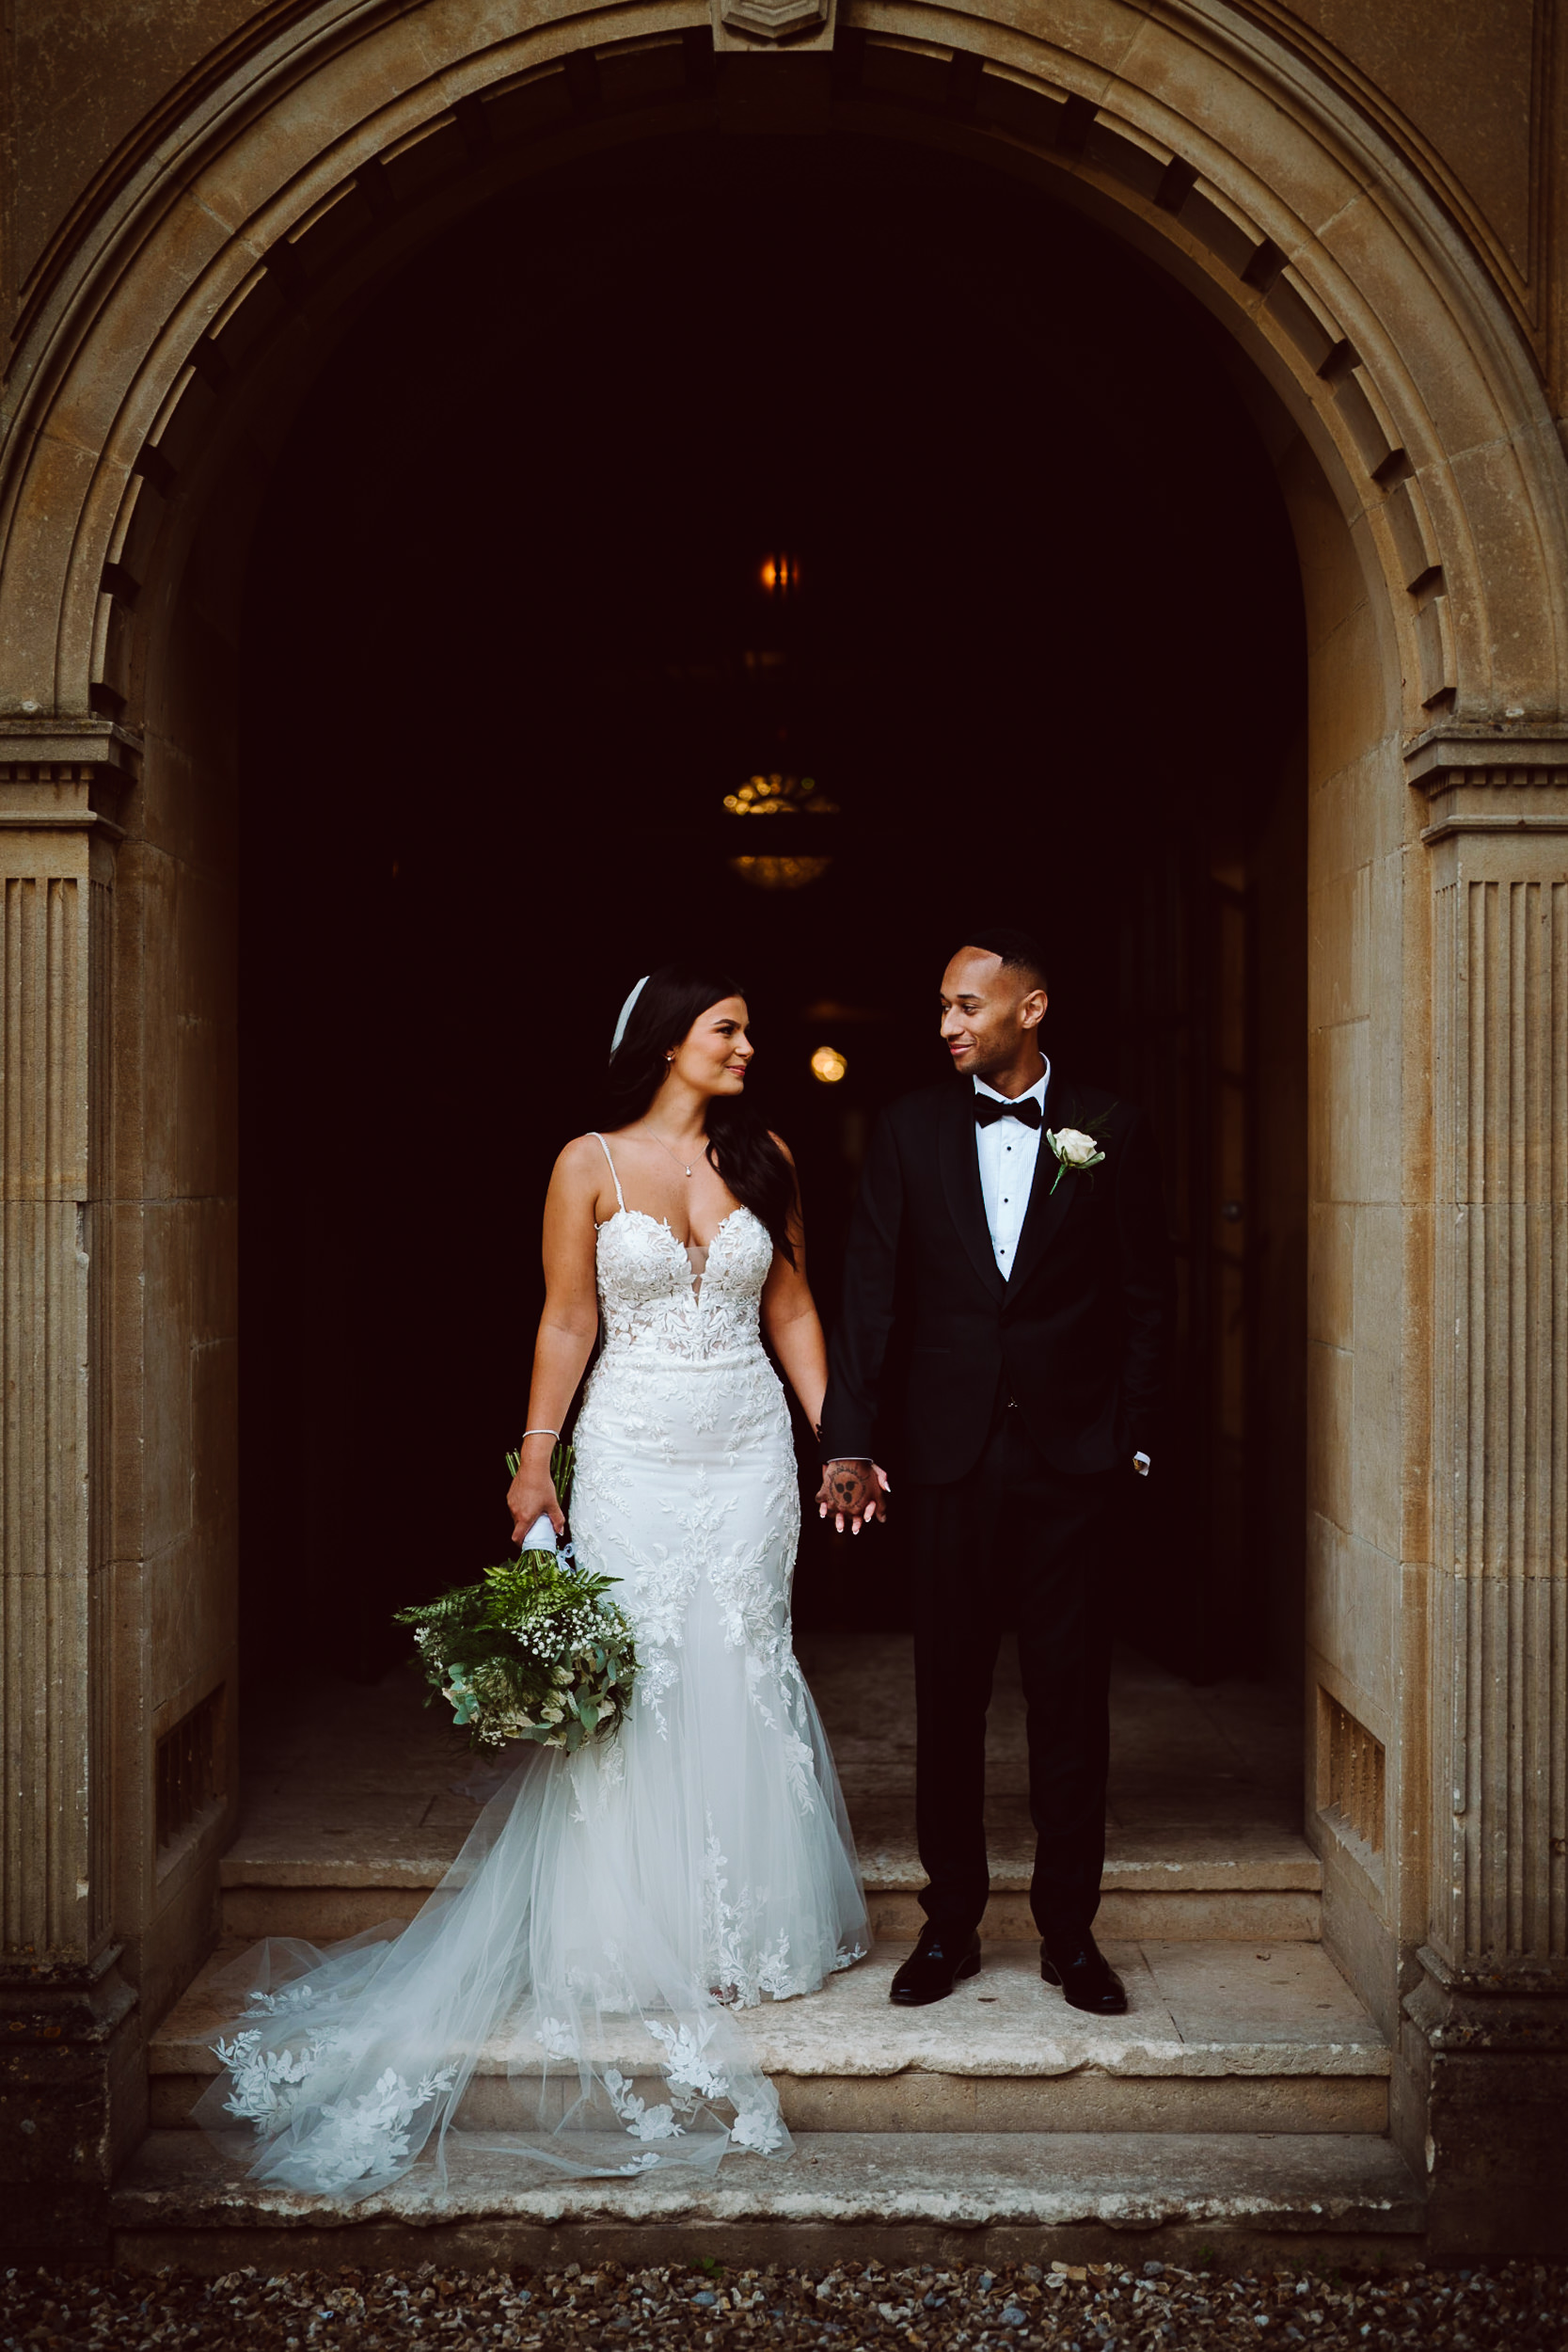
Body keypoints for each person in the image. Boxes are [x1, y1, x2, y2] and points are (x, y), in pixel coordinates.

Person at [198, 965, 867, 2201]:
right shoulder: (587, 1164)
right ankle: (627, 1937)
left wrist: (842, 1440)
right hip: (628, 1450)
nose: (746, 1045)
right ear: (668, 1042)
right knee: (638, 1672)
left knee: (739, 1654)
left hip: (743, 1453)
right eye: (727, 1029)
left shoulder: (766, 1152)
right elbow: (565, 1319)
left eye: (747, 1030)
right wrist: (533, 1460)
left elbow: (790, 1306)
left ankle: (736, 1930)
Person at [817, 929, 1169, 2014]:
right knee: (948, 1696)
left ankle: (1070, 1935)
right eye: (939, 1006)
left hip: (1071, 1460)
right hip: (945, 1459)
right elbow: (870, 1287)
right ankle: (949, 1927)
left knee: (1069, 1703)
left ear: (1031, 1006)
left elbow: (1146, 1293)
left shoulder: (1109, 1126)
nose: (946, 1025)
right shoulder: (910, 1129)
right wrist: (849, 1436)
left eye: (966, 1005)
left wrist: (1132, 1433)